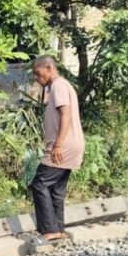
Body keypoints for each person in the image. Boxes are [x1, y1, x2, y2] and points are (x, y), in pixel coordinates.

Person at [28, 56, 84, 244]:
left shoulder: (58, 85)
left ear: (49, 68)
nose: (36, 77)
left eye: (38, 73)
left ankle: (50, 230)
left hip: (64, 145)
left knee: (39, 183)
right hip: (73, 144)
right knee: (57, 189)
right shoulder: (63, 86)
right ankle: (58, 228)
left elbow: (65, 114)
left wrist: (58, 145)